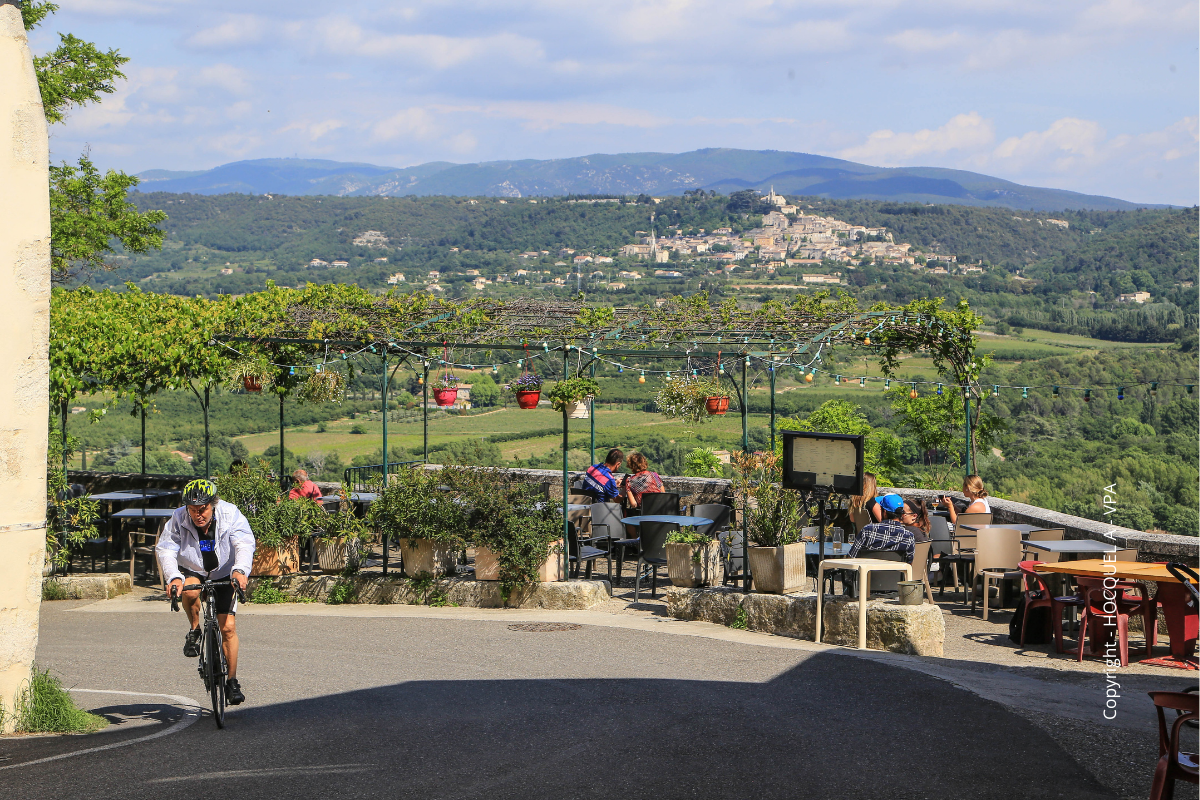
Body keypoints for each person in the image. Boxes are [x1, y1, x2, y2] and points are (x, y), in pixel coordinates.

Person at [156, 478, 256, 706]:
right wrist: (173, 577)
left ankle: (232, 681)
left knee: (228, 628)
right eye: (192, 510)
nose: (197, 515)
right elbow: (166, 548)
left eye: (202, 509)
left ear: (213, 504)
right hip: (193, 567)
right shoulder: (178, 517)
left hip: (225, 570)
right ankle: (194, 630)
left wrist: (240, 570)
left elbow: (244, 543)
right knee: (189, 592)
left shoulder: (230, 513)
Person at [848, 493, 914, 563]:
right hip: (896, 570)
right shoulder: (908, 536)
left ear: (884, 512)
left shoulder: (868, 530)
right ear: (901, 514)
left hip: (869, 569)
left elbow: (851, 557)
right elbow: (909, 563)